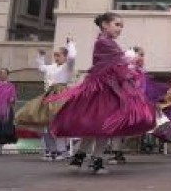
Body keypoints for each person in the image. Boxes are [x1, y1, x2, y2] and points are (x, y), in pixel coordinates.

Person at [49, 12, 156, 174]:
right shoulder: (103, 42)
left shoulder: (107, 42)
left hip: (108, 89)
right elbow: (119, 61)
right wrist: (131, 59)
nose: (120, 29)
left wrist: (131, 65)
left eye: (121, 26)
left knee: (100, 125)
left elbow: (119, 66)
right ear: (105, 25)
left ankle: (84, 158)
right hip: (102, 90)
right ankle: (90, 159)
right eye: (117, 24)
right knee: (101, 125)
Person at [15, 38, 77, 161]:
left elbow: (73, 57)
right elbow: (41, 67)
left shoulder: (67, 67)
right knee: (48, 123)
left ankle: (62, 151)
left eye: (58, 55)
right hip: (50, 94)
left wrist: (70, 44)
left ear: (65, 56)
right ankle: (52, 150)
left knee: (57, 122)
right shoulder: (52, 67)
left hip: (61, 94)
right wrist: (41, 56)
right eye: (55, 55)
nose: (56, 58)